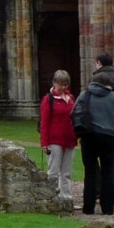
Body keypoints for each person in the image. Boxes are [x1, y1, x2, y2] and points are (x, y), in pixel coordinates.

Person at [73, 75, 114, 215]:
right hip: (108, 136)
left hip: (88, 136)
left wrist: (79, 133)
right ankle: (107, 208)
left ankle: (88, 208)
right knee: (107, 172)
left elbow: (73, 113)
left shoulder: (85, 94)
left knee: (89, 172)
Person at [92, 52, 114, 203]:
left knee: (97, 159)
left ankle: (100, 190)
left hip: (99, 125)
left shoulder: (95, 78)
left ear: (99, 62)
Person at [38, 70, 77, 201]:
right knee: (53, 171)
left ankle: (66, 198)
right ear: (54, 83)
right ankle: (51, 198)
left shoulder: (71, 98)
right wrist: (44, 142)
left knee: (66, 173)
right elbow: (44, 122)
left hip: (70, 139)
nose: (63, 87)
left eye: (65, 84)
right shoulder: (48, 99)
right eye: (60, 84)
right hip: (54, 140)